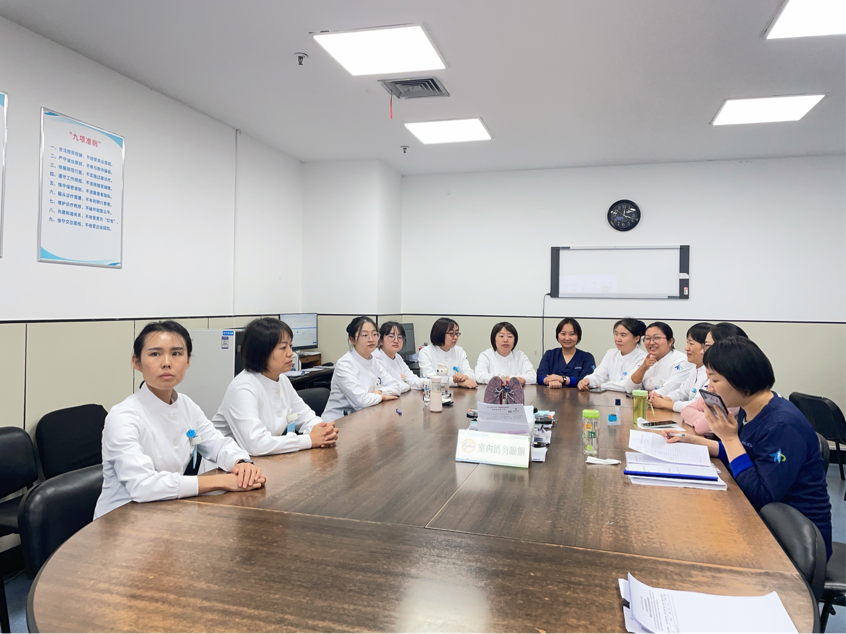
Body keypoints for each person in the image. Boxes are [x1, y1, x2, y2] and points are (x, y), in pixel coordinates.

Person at [663, 337, 832, 558]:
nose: (709, 388)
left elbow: (761, 496)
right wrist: (694, 440)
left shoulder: (783, 425)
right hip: (761, 521)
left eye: (714, 380)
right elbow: (745, 455)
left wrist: (730, 438)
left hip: (795, 541)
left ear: (741, 378)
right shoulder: (748, 408)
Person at [95, 321, 265, 519]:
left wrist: (241, 463)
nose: (167, 362)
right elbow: (142, 485)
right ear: (137, 362)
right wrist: (221, 482)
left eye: (176, 353)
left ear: (188, 360)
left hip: (167, 512)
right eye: (155, 354)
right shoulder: (123, 416)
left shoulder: (186, 405)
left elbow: (218, 444)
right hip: (122, 519)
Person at [212, 317, 338, 456]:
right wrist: (309, 440)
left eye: (290, 345)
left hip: (266, 459)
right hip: (228, 464)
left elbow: (306, 417)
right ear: (261, 352)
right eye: (283, 348)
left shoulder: (282, 380)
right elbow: (256, 444)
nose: (290, 353)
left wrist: (323, 430)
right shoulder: (243, 388)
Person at [323, 316, 404, 420]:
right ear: (352, 340)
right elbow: (361, 402)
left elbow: (396, 386)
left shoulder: (373, 360)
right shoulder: (345, 364)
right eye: (365, 335)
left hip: (366, 416)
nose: (371, 339)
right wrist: (381, 396)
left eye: (374, 334)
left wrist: (379, 392)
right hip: (340, 420)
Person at [680, 323, 748, 434]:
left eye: (707, 346)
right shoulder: (713, 375)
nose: (702, 351)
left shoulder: (734, 386)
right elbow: (686, 410)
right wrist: (704, 418)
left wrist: (703, 418)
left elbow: (702, 427)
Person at [648, 322, 711, 412]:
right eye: (687, 343)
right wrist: (663, 398)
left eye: (691, 343)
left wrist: (663, 403)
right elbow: (681, 393)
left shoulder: (712, 373)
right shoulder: (695, 369)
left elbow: (697, 405)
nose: (686, 348)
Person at [577, 318, 646, 393]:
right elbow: (598, 375)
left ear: (636, 339)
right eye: (616, 334)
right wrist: (587, 380)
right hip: (611, 397)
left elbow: (628, 385)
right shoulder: (611, 353)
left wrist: (603, 386)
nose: (618, 339)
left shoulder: (643, 358)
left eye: (623, 335)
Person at [624, 322, 692, 394]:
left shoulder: (681, 361)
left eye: (656, 338)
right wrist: (643, 367)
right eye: (647, 338)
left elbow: (667, 392)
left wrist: (644, 393)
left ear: (670, 341)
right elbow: (629, 388)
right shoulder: (648, 359)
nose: (651, 342)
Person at [417, 317, 478, 388]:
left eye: (456, 333)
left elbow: (471, 374)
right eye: (452, 333)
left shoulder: (459, 351)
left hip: (456, 393)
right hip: (434, 392)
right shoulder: (426, 352)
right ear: (440, 334)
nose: (455, 337)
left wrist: (464, 376)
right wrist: (458, 383)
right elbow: (431, 378)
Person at [537, 318, 595, 388]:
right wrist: (547, 380)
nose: (567, 338)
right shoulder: (550, 354)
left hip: (579, 395)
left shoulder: (587, 357)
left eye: (572, 334)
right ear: (557, 335)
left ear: (578, 336)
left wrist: (563, 379)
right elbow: (540, 375)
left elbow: (588, 379)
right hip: (552, 394)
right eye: (563, 334)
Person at [372, 321, 425, 392]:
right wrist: (407, 386)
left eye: (400, 337)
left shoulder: (397, 357)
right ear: (380, 340)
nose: (396, 341)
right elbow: (390, 386)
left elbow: (411, 378)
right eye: (391, 336)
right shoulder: (375, 358)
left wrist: (426, 383)